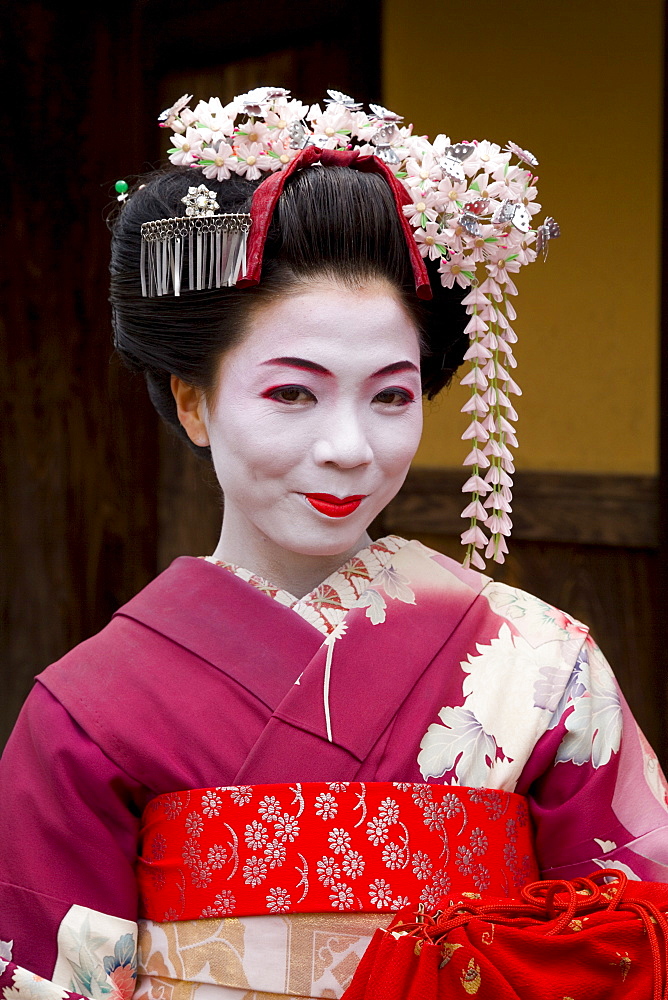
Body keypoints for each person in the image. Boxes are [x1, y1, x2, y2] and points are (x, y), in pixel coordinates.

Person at [1, 87, 667, 1000]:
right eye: (292, 394)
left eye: (391, 396)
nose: (349, 446)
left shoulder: (545, 672)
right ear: (193, 402)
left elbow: (638, 943)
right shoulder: (86, 714)